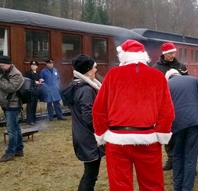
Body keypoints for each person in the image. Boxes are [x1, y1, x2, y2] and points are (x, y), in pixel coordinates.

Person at [92, 40, 175, 191]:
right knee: (152, 185)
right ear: (143, 56)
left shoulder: (112, 75)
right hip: (148, 138)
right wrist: (161, 133)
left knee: (120, 186)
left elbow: (99, 109)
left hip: (117, 140)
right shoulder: (157, 76)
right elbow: (167, 111)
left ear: (123, 56)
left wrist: (101, 133)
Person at [62, 54, 104, 191]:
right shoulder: (86, 90)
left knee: (90, 172)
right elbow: (89, 117)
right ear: (87, 70)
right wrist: (101, 131)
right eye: (94, 68)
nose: (95, 70)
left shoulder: (75, 86)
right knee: (91, 174)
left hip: (81, 135)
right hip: (89, 138)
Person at [165, 69, 198, 191]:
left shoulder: (167, 85)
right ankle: (187, 188)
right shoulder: (194, 80)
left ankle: (177, 187)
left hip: (176, 125)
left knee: (177, 156)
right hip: (194, 123)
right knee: (190, 158)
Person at [152, 41, 188, 171]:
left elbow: (186, 83)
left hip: (179, 103)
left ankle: (180, 157)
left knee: (180, 131)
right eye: (170, 53)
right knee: (167, 131)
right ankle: (171, 158)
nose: (173, 55)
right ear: (164, 54)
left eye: (174, 52)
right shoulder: (156, 68)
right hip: (164, 104)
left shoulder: (181, 66)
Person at [0, 56, 25, 162]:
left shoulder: (16, 74)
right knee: (15, 128)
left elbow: (10, 88)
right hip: (6, 104)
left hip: (13, 105)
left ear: (9, 64)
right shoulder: (2, 71)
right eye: (0, 65)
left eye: (3, 65)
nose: (1, 67)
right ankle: (19, 149)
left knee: (11, 130)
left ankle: (10, 153)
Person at [24, 60, 44, 125]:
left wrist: (41, 80)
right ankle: (29, 120)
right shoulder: (28, 73)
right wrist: (34, 82)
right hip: (30, 92)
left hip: (36, 92)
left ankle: (33, 118)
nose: (33, 66)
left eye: (34, 65)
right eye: (32, 65)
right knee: (30, 106)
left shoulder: (37, 73)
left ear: (37, 66)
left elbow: (39, 79)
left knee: (34, 106)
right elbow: (26, 81)